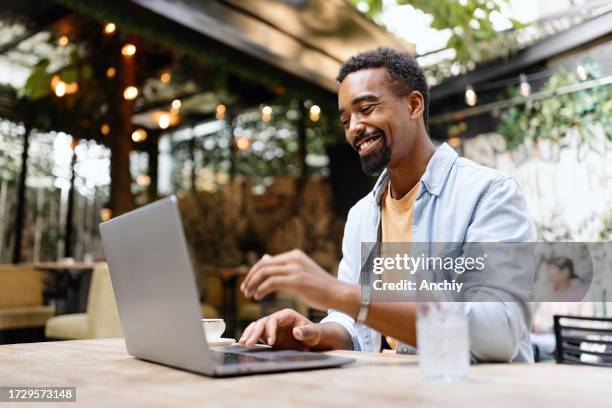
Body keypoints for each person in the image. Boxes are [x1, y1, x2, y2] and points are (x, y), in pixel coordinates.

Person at [239, 47, 535, 362]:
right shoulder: (362, 216)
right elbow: (352, 324)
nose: (353, 127)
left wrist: (337, 293)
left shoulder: (488, 194)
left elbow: (498, 333)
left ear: (414, 104)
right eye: (346, 119)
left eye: (366, 108)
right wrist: (312, 335)